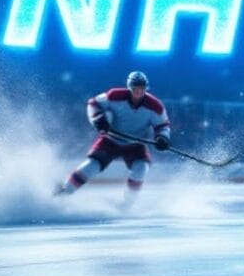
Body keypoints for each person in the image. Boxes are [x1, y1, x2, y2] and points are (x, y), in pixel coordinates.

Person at [55, 71, 171, 206]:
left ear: (146, 88)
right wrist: (97, 118)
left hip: (136, 144)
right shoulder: (114, 95)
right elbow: (93, 104)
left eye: (142, 88)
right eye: (135, 88)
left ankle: (128, 204)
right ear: (129, 87)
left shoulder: (155, 106)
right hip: (110, 140)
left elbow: (163, 126)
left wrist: (162, 138)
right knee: (91, 166)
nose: (139, 91)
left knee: (141, 168)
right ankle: (65, 191)